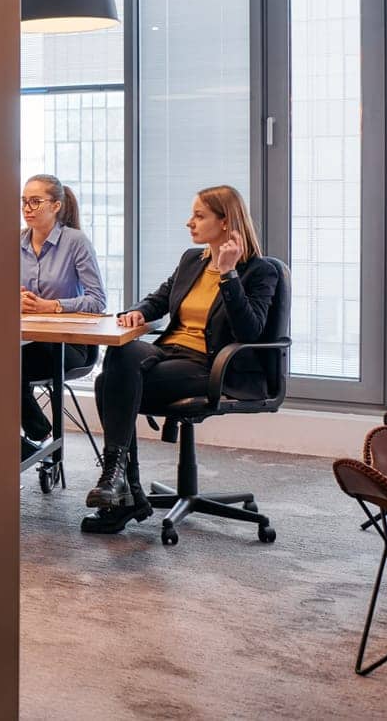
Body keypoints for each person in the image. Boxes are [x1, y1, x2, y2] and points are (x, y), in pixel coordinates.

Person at [83, 184, 278, 534]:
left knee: (109, 383)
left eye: (199, 216)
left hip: (214, 365)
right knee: (121, 354)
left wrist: (228, 273)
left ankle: (125, 494)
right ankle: (120, 487)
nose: (190, 223)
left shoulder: (259, 271)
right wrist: (137, 313)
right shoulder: (192, 260)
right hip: (170, 352)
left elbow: (250, 331)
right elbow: (158, 300)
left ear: (225, 222)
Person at [16, 174, 105, 462]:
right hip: (26, 341)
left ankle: (37, 435)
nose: (27, 208)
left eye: (35, 201)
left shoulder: (75, 241)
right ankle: (34, 438)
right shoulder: (15, 241)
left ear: (55, 206)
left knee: (4, 367)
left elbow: (98, 301)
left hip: (71, 346)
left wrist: (52, 306)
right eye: (24, 202)